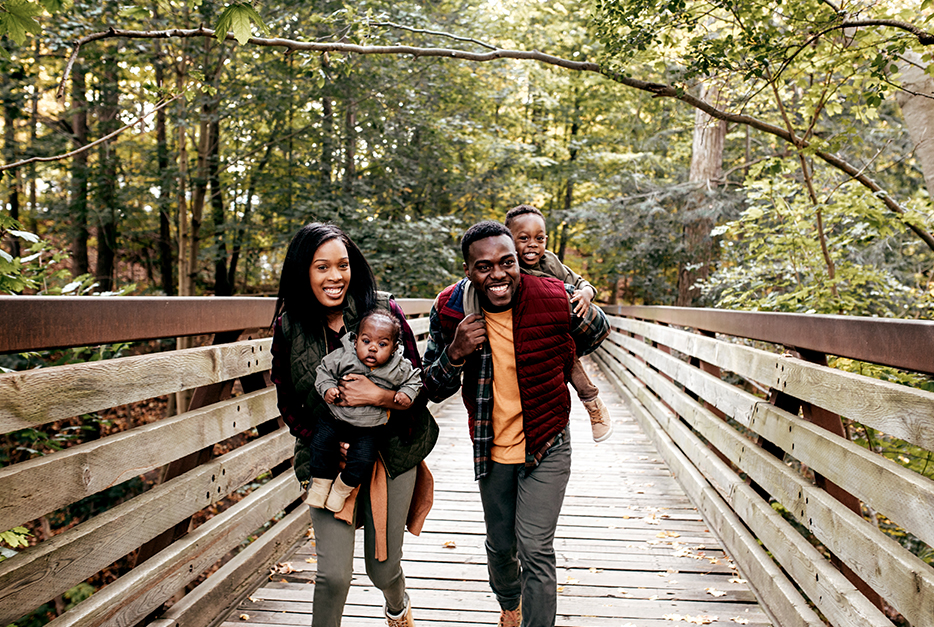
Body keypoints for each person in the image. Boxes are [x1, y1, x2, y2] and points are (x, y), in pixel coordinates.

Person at [422, 221, 609, 627]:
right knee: (501, 545)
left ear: (520, 262)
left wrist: (583, 302)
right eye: (484, 267)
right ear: (469, 271)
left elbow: (599, 332)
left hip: (548, 440)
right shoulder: (451, 309)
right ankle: (510, 603)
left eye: (507, 263)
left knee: (536, 548)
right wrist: (454, 352)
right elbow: (431, 389)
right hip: (492, 446)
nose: (499, 275)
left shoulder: (551, 293)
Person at [271, 223, 433, 627]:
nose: (335, 277)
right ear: (303, 272)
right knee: (333, 576)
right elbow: (288, 403)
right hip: (326, 458)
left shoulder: (384, 314)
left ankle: (398, 604)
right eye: (321, 267)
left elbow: (419, 387)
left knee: (382, 569)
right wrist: (324, 442)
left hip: (392, 451)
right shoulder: (289, 326)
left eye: (342, 265)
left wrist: (380, 399)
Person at [504, 204, 613, 442]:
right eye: (523, 238)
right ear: (508, 240)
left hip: (553, 331)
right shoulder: (506, 267)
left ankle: (592, 403)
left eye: (539, 238)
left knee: (565, 353)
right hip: (520, 336)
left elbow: (582, 282)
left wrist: (586, 293)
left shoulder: (550, 262)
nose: (532, 244)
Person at [309, 309, 422, 512]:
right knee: (320, 444)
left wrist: (406, 392)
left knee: (363, 459)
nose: (372, 349)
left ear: (394, 348)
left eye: (382, 344)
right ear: (355, 341)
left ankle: (340, 490)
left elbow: (415, 379)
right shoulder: (344, 356)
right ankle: (320, 486)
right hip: (335, 417)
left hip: (369, 427)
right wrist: (328, 388)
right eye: (366, 341)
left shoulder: (399, 366)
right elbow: (324, 371)